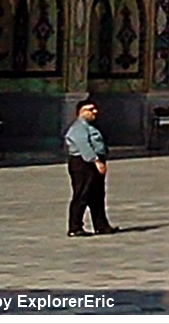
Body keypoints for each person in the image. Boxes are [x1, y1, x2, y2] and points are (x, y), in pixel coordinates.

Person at [63, 99, 118, 237]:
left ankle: (101, 225)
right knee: (82, 194)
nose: (95, 112)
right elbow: (84, 146)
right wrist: (96, 161)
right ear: (81, 112)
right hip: (83, 164)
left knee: (97, 195)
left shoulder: (91, 126)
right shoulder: (78, 128)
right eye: (90, 109)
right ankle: (75, 227)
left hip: (92, 163)